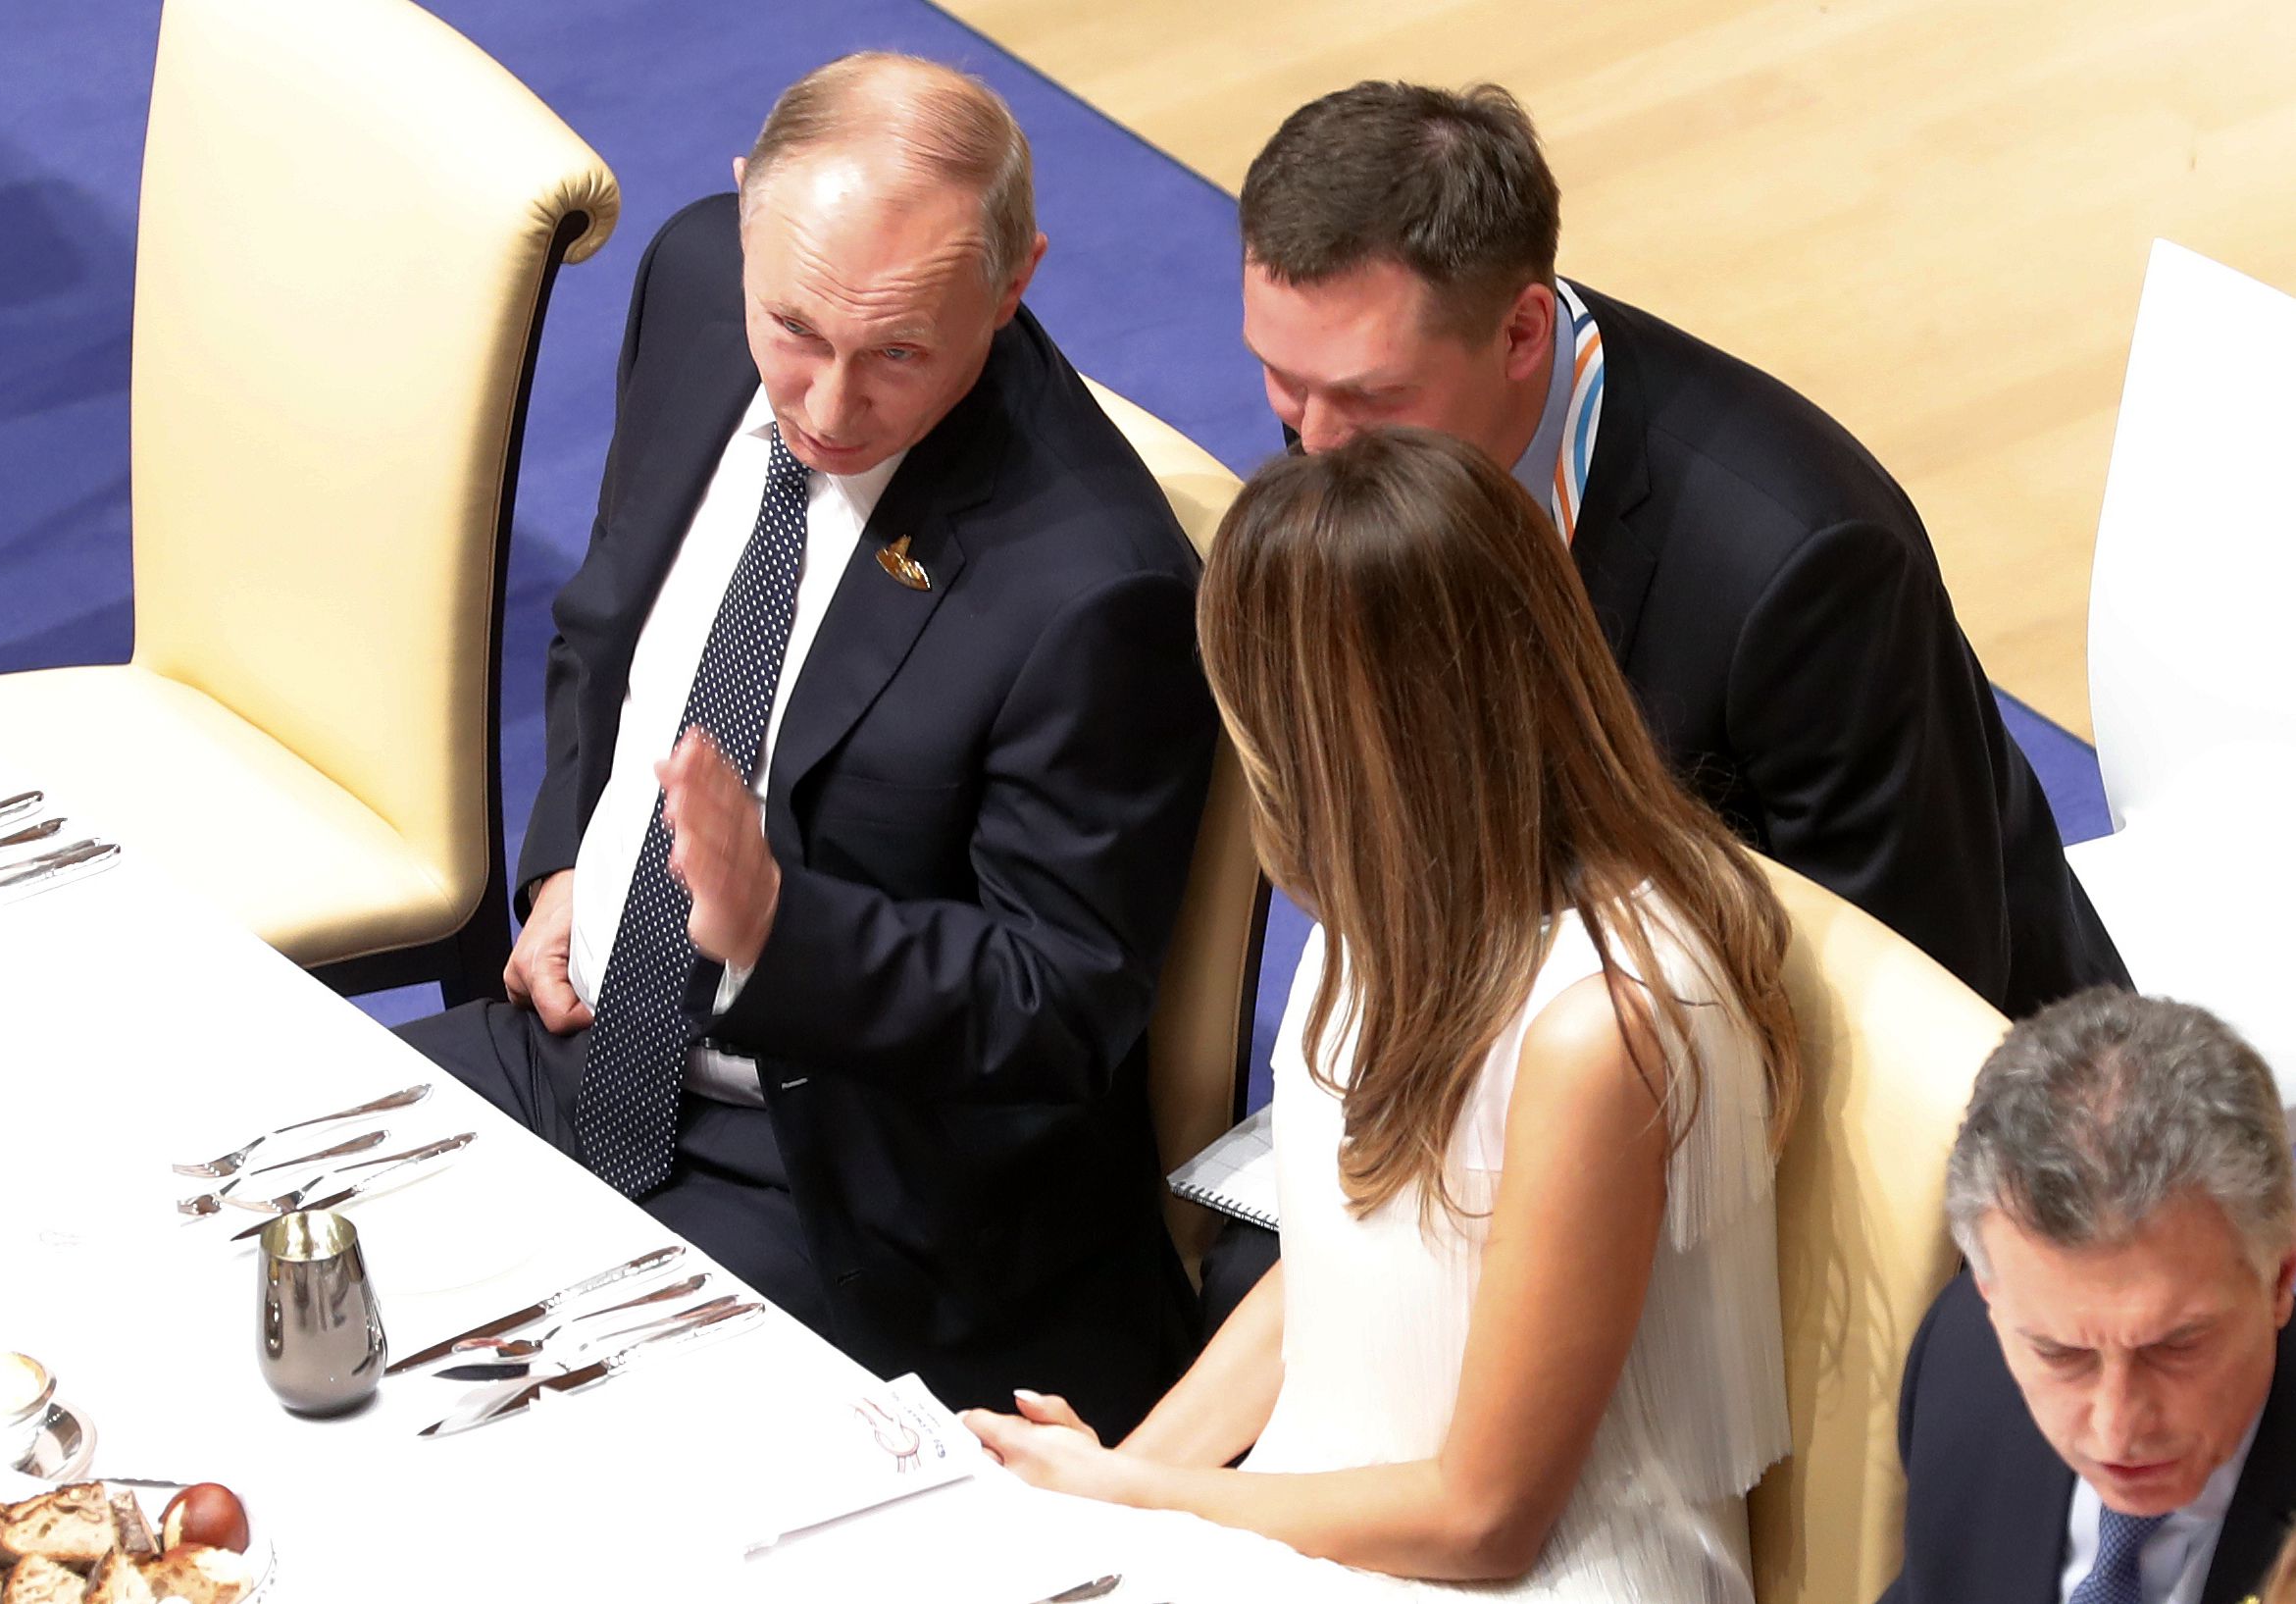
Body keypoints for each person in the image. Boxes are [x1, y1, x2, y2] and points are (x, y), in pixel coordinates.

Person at [394, 54, 1214, 1435]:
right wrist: (558, 871)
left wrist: (776, 928)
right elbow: (612, 625)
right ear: (742, 217)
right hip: (578, 1040)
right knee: (259, 1248)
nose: (827, 405)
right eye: (796, 331)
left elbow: (1058, 1004)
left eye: (900, 351)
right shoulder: (695, 280)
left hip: (837, 1180)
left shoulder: (1096, 586)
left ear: (1016, 283)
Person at [967, 428, 1802, 1599]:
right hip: (1335, 1526)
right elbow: (1328, 1266)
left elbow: (1483, 1519)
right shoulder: (1388, 907)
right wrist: (1099, 1487)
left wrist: (1139, 1501)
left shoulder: (1598, 1031)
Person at [1236, 80, 2124, 1021]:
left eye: (1369, 396)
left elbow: (1909, 1010)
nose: (1316, 442)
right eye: (1281, 379)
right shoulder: (1355, 400)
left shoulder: (1806, 570)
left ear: (1522, 332)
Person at [1880, 989, 2296, 1604]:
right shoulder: (1959, 1372)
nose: (2115, 1432)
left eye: (2175, 1346)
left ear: (2282, 1280)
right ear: (1992, 1298)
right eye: (2059, 1354)